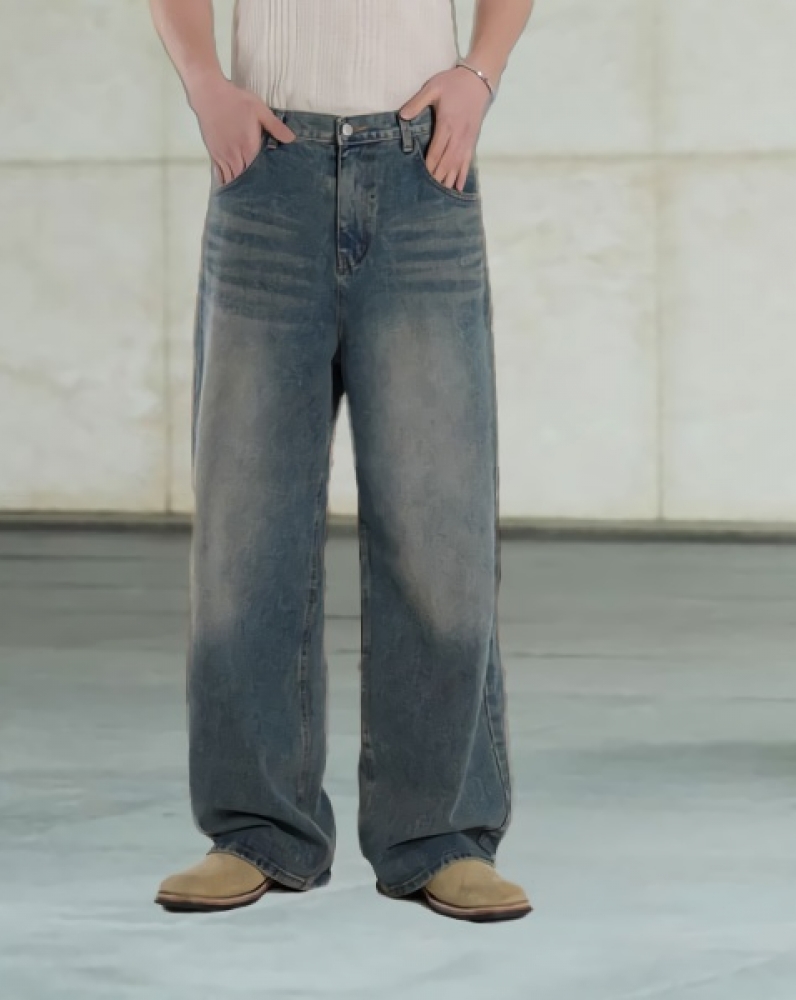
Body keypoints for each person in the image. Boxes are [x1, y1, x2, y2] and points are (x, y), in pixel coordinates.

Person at [148, 0, 534, 923]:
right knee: (245, 533)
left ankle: (441, 836)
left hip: (420, 168)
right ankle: (255, 830)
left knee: (439, 527)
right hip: (266, 172)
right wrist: (205, 85)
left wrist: (478, 74)